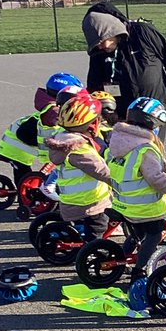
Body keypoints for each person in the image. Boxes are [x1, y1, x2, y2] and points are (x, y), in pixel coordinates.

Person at [83, 1, 166, 140]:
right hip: (120, 116)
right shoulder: (99, 53)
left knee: (152, 154)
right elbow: (94, 84)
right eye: (97, 44)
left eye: (103, 40)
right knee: (125, 156)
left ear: (112, 29)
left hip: (152, 111)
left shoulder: (143, 32)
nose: (103, 46)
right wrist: (103, 111)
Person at [107, 97, 166, 284]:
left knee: (136, 233)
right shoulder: (145, 150)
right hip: (144, 208)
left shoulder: (117, 141)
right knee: (154, 235)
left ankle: (121, 257)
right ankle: (140, 269)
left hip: (122, 203)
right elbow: (156, 179)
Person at [0, 71, 83, 186]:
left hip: (25, 142)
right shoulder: (52, 110)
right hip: (14, 147)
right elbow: (58, 118)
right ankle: (26, 199)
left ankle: (30, 193)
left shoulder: (53, 105)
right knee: (24, 177)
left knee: (34, 174)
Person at [47, 94, 113, 239]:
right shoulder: (79, 150)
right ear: (92, 124)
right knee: (99, 227)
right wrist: (119, 180)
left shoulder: (62, 138)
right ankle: (92, 251)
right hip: (89, 202)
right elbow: (100, 171)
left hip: (70, 199)